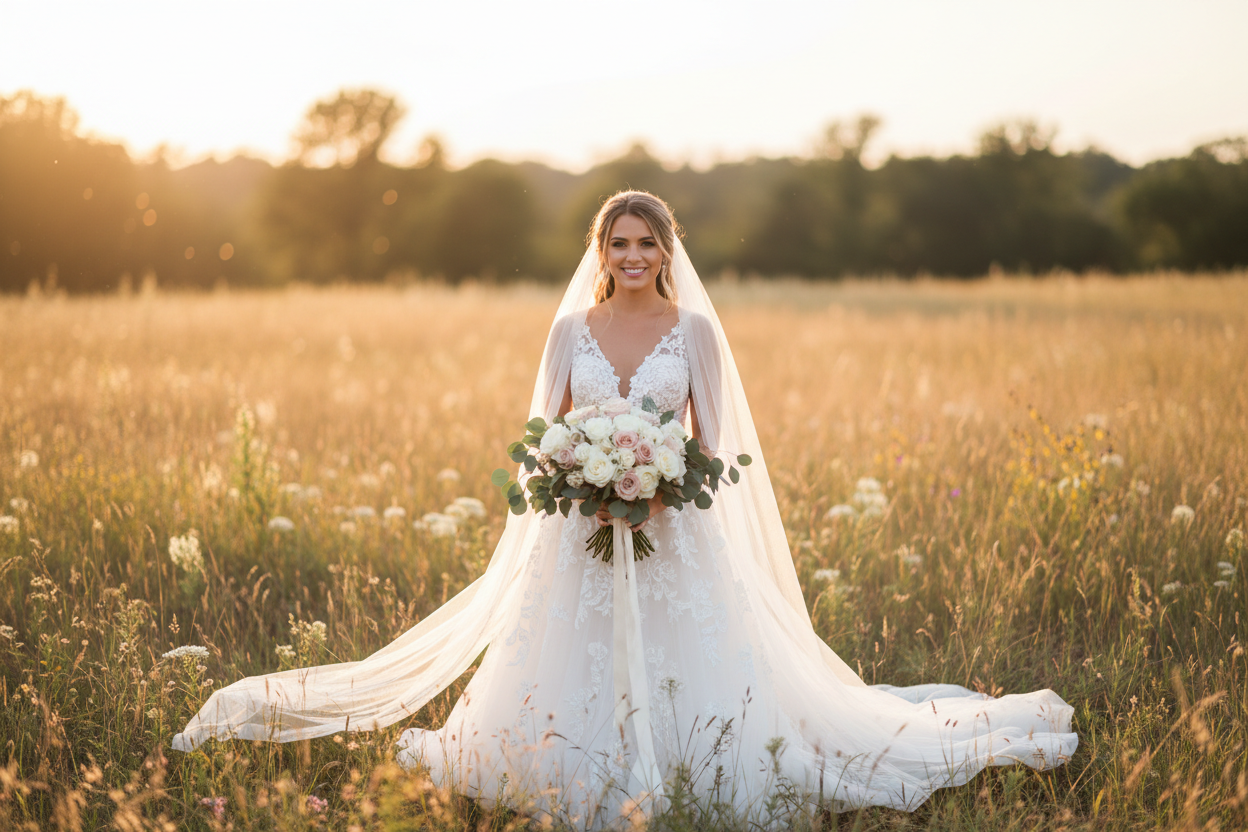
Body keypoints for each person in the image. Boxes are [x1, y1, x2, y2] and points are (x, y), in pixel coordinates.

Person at [174, 191, 1076, 827]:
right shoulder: (571, 331)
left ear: (667, 251)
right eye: (619, 244)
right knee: (574, 649)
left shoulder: (697, 332)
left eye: (647, 243)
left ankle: (697, 761)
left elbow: (716, 443)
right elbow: (543, 435)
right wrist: (582, 478)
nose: (633, 257)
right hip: (579, 528)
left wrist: (662, 481)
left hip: (675, 528)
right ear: (600, 253)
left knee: (690, 660)